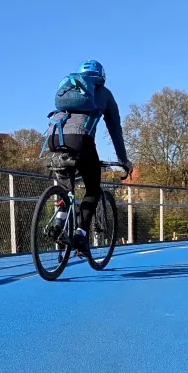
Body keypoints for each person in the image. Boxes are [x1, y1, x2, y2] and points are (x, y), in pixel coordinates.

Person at [45, 60, 132, 255]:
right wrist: (123, 160)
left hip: (53, 136)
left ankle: (58, 223)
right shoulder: (104, 93)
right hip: (80, 139)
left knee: (66, 189)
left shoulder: (70, 88)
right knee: (93, 189)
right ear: (102, 77)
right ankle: (81, 235)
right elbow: (115, 129)